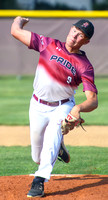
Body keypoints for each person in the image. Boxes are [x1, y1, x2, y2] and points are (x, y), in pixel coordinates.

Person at [11, 17, 98, 198]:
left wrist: (78, 108)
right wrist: (18, 21)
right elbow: (15, 32)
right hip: (37, 105)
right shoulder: (47, 44)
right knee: (37, 156)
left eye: (80, 35)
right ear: (70, 29)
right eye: (75, 30)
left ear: (86, 41)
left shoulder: (84, 65)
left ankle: (39, 181)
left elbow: (93, 99)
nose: (74, 36)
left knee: (52, 138)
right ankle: (58, 147)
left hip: (62, 107)